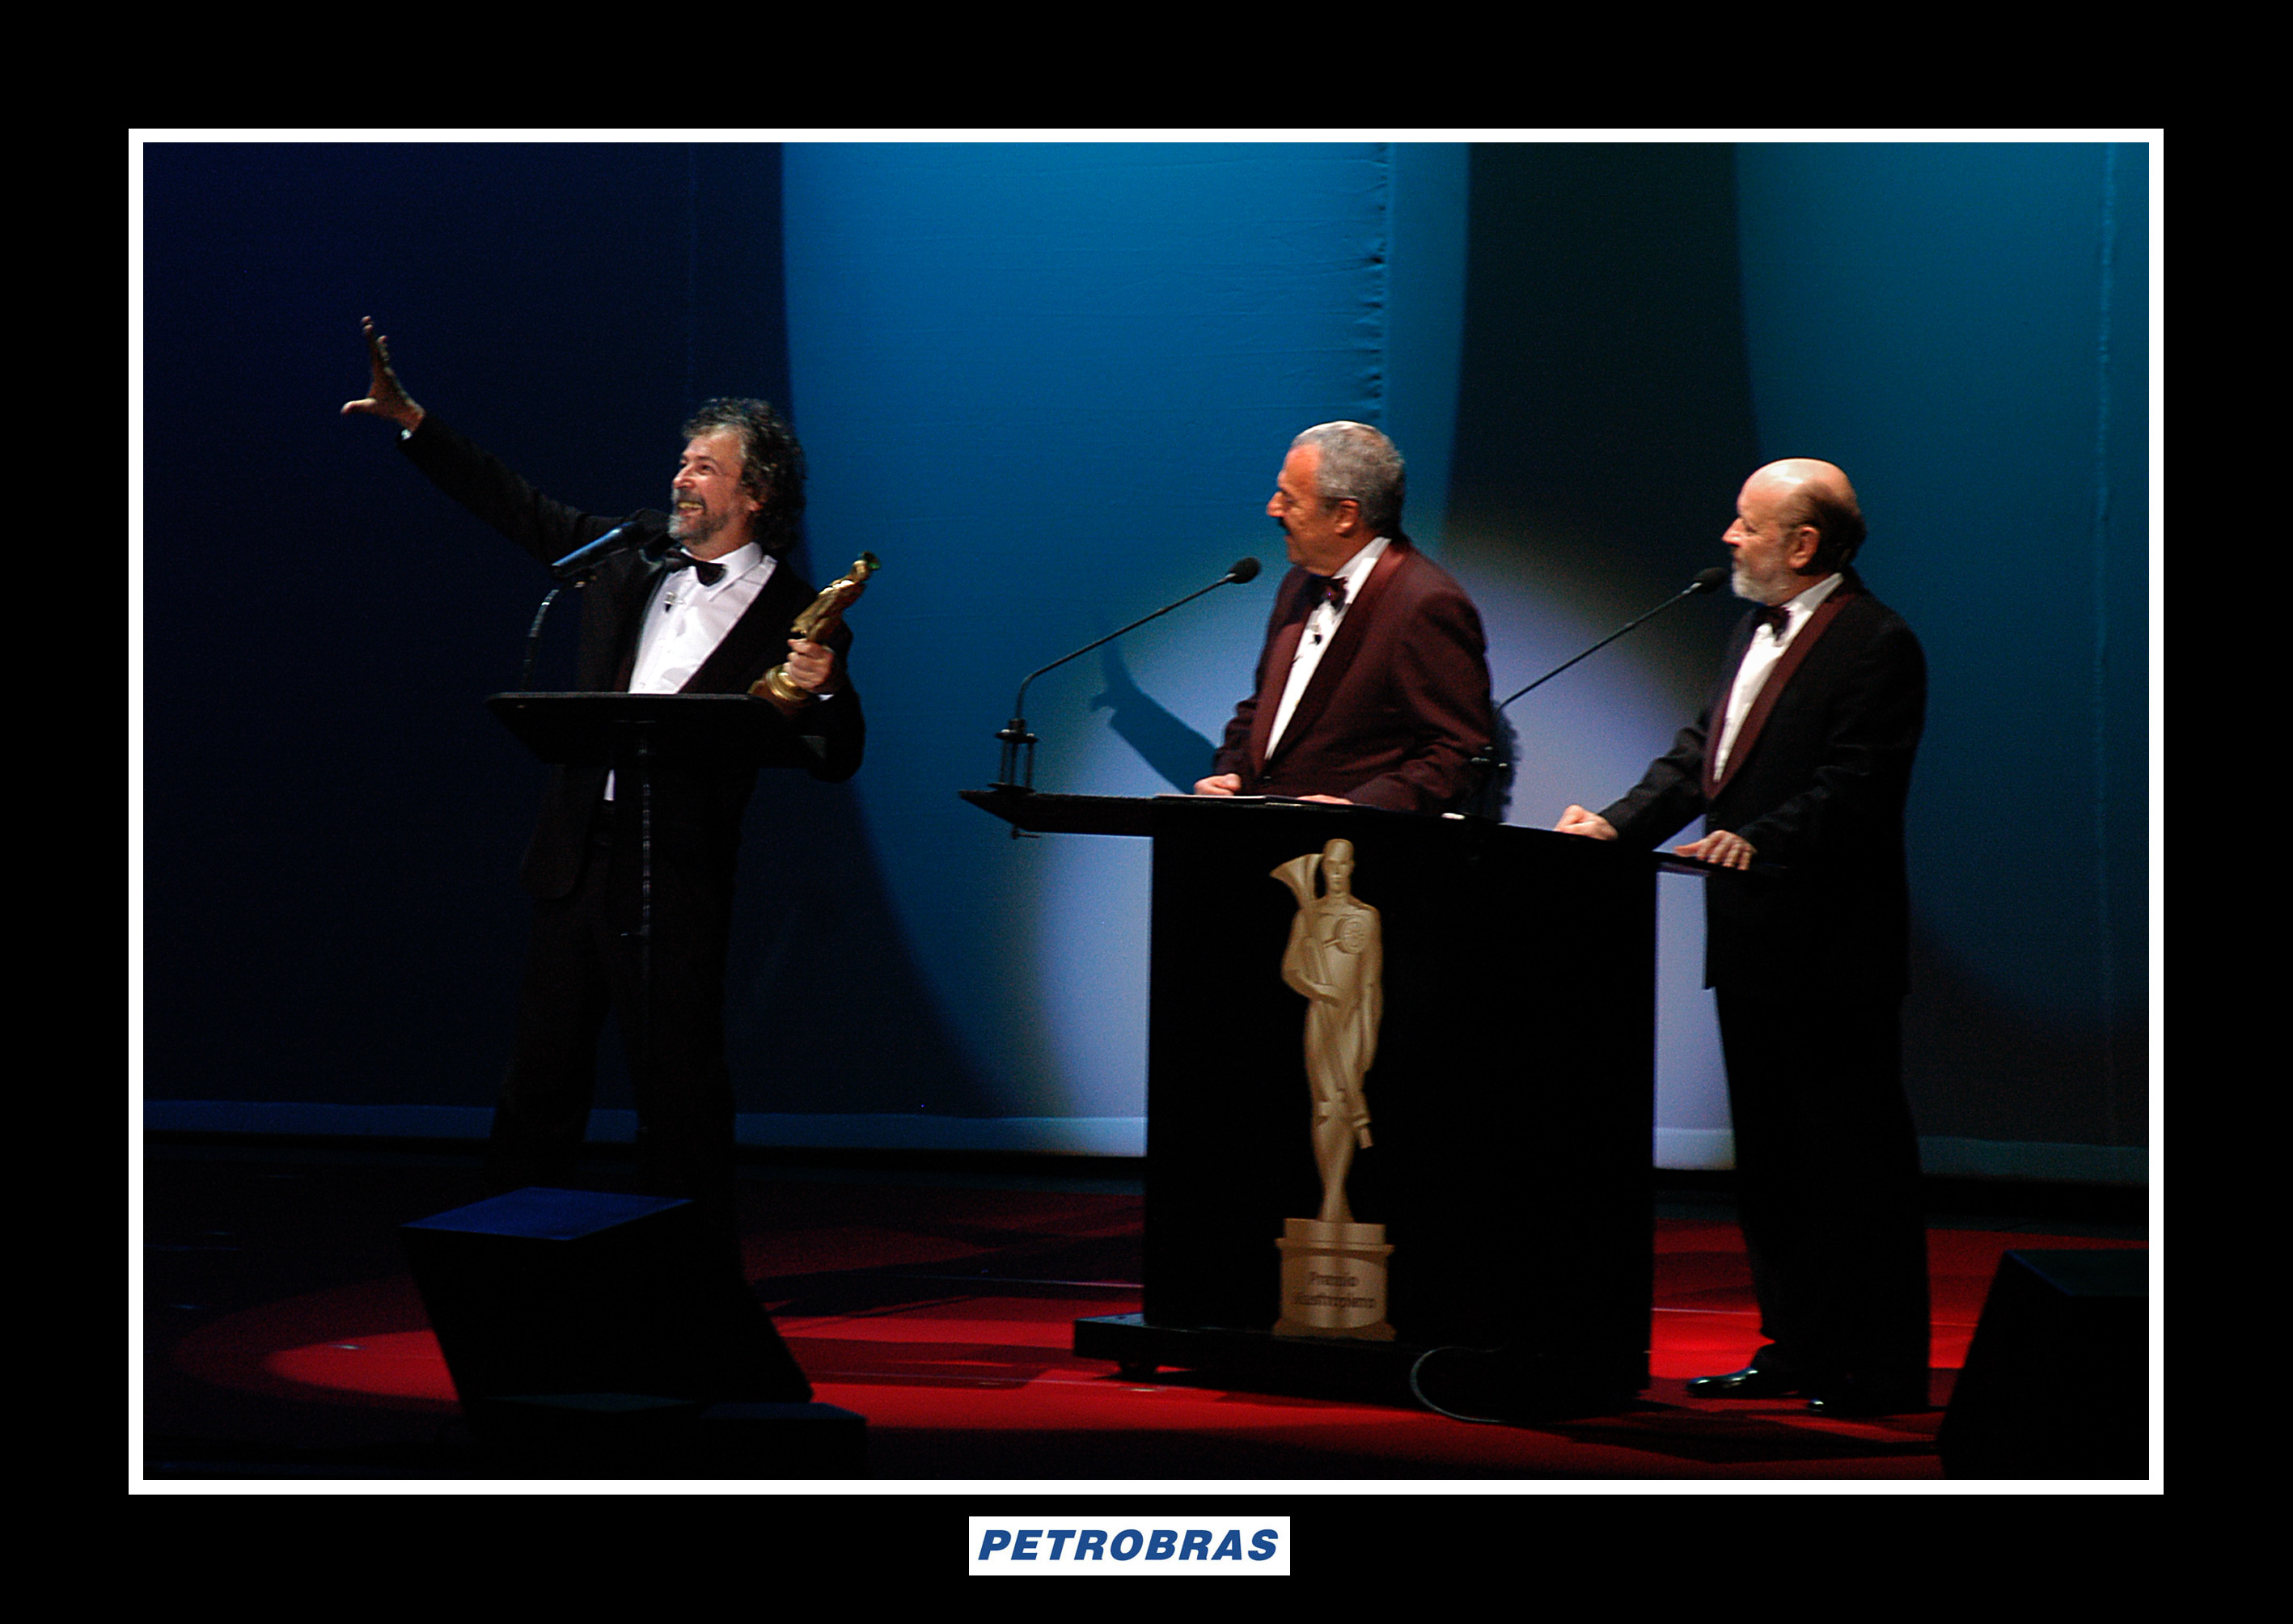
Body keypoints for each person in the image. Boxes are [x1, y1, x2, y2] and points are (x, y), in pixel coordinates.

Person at [342, 318, 864, 1277]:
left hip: (678, 874)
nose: (681, 478)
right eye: (681, 460)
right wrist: (414, 421)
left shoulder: (796, 611)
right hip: (578, 858)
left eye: (704, 466)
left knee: (678, 1089)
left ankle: (692, 1280)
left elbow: (838, 753)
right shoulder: (629, 556)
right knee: (540, 1079)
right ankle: (504, 1270)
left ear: (756, 492)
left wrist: (824, 683)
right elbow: (517, 505)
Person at [1557, 457, 1929, 1415]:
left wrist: (1759, 839)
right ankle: (1797, 1344)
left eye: (1747, 523)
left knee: (1851, 1162)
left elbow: (1857, 784)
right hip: (1751, 938)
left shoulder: (1878, 641)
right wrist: (1613, 826)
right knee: (1772, 1163)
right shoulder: (1748, 631)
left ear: (1803, 544)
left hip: (1833, 949)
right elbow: (1700, 759)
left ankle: (1881, 1366)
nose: (1729, 536)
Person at [1195, 422, 1492, 812]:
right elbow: (1262, 707)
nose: (1273, 509)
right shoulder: (1298, 583)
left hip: (1350, 847)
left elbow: (1458, 752)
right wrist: (1230, 772)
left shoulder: (1426, 602)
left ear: (1345, 515)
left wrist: (1355, 809)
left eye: (1289, 499)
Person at [1273, 839, 1383, 1224]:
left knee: (1346, 1103)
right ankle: (1334, 1201)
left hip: (1353, 1021)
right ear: (1323, 870)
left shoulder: (1366, 917)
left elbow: (1371, 983)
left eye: (1342, 866)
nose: (1335, 874)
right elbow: (1291, 969)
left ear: (1351, 867)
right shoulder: (1308, 915)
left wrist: (1369, 1034)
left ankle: (1334, 1202)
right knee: (1325, 1107)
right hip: (1321, 1019)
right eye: (1329, 867)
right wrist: (1318, 990)